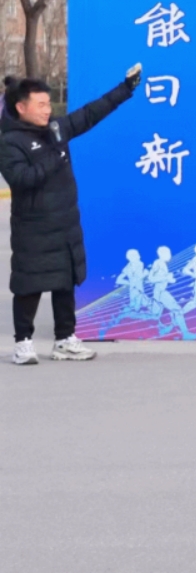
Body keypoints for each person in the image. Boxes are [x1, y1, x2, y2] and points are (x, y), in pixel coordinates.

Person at [4, 66, 140, 365]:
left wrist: (125, 88)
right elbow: (21, 179)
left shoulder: (55, 129)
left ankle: (65, 339)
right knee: (29, 285)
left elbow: (89, 114)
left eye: (48, 104)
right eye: (40, 104)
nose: (47, 110)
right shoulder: (10, 141)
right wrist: (55, 156)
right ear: (21, 107)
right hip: (33, 227)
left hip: (65, 223)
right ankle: (23, 343)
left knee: (65, 282)